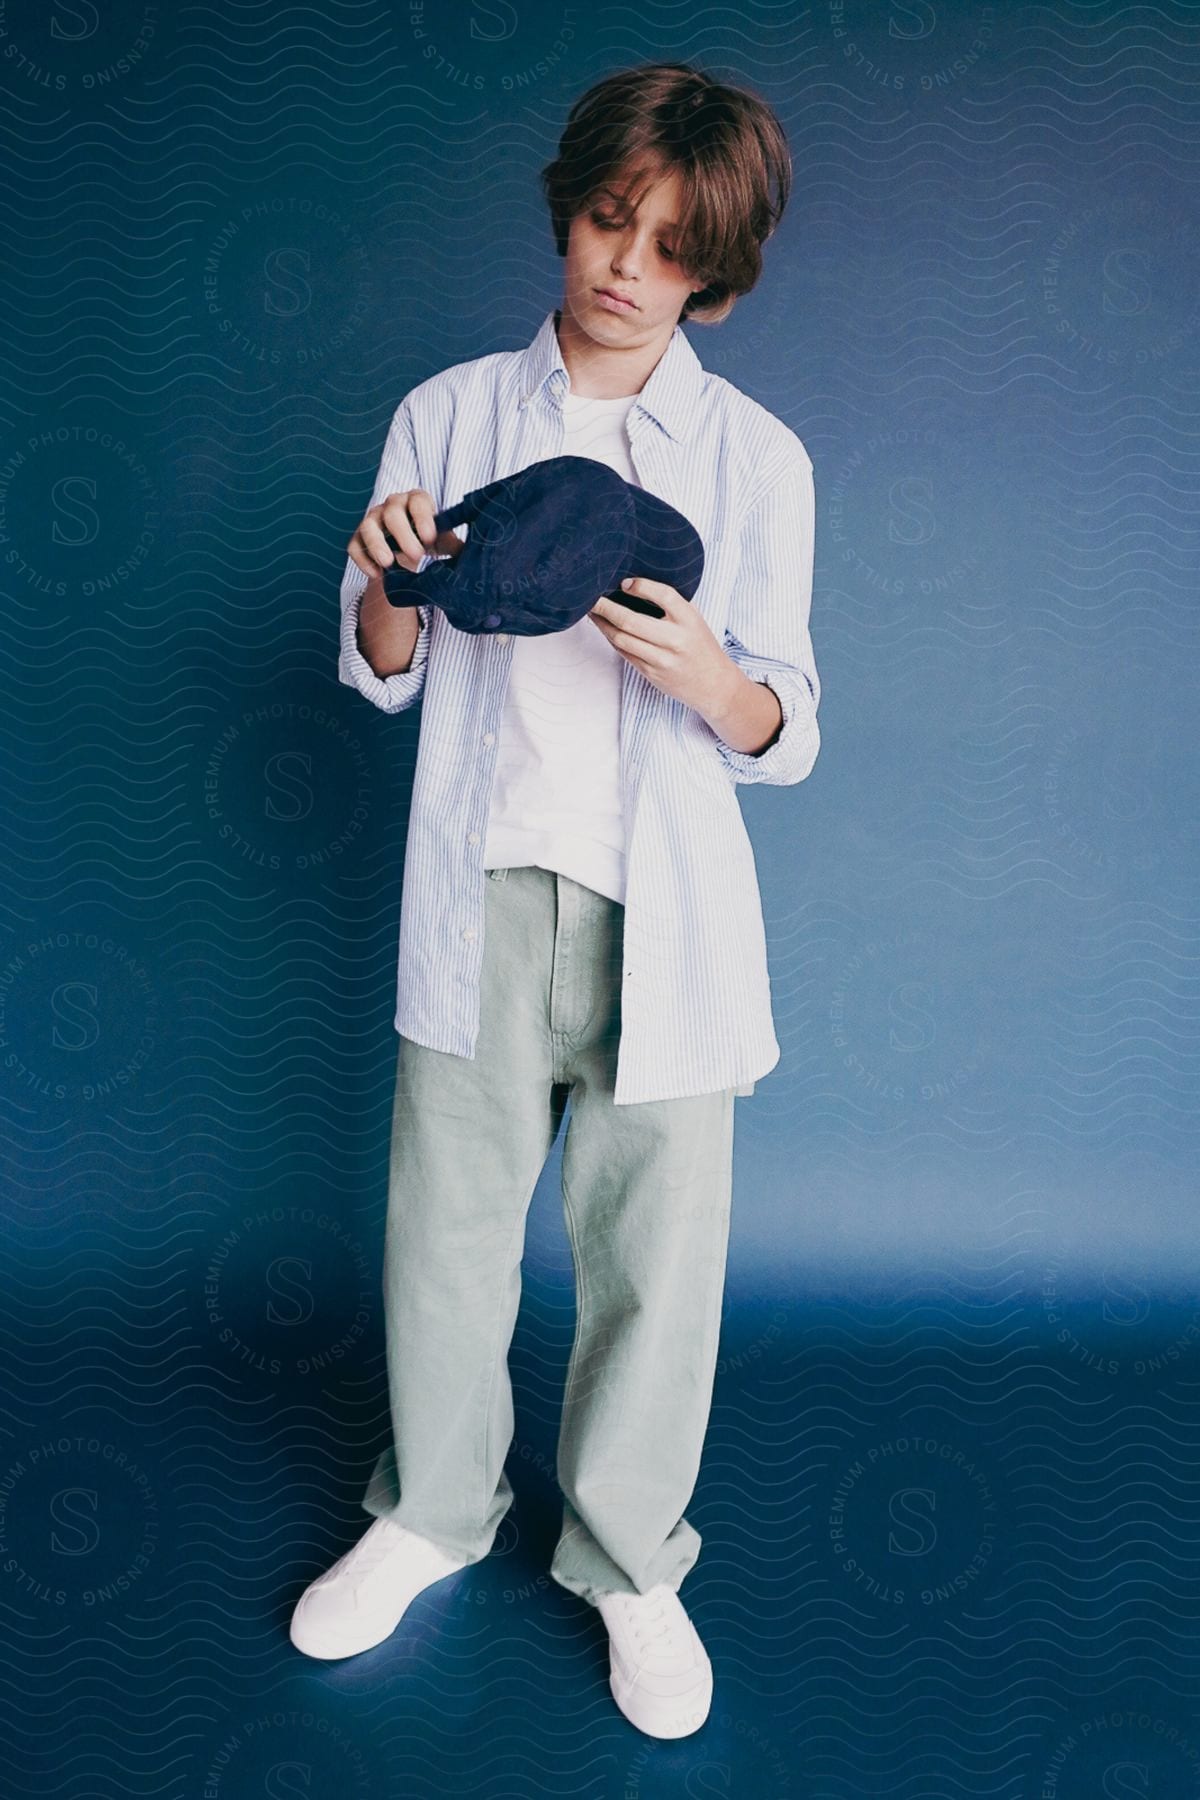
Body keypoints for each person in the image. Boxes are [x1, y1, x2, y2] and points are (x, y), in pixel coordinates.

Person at [290, 59, 821, 1741]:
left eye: (668, 248)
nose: (623, 264)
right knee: (444, 1233)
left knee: (657, 1254)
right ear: (569, 205)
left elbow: (787, 726)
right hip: (485, 890)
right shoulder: (449, 415)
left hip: (665, 916)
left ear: (713, 282)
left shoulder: (757, 460)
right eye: (608, 218)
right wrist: (388, 590)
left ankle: (630, 1564)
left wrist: (711, 675)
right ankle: (429, 1515)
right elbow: (381, 668)